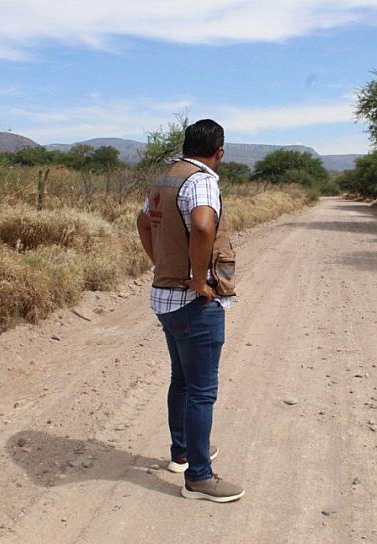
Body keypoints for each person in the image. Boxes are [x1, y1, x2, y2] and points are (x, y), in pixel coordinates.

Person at [136, 119, 243, 503]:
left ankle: (182, 453)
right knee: (201, 390)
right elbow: (202, 228)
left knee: (181, 381)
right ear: (220, 151)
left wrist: (160, 262)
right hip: (194, 303)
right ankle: (199, 477)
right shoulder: (202, 182)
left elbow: (142, 221)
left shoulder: (166, 178)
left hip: (165, 298)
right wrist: (200, 280)